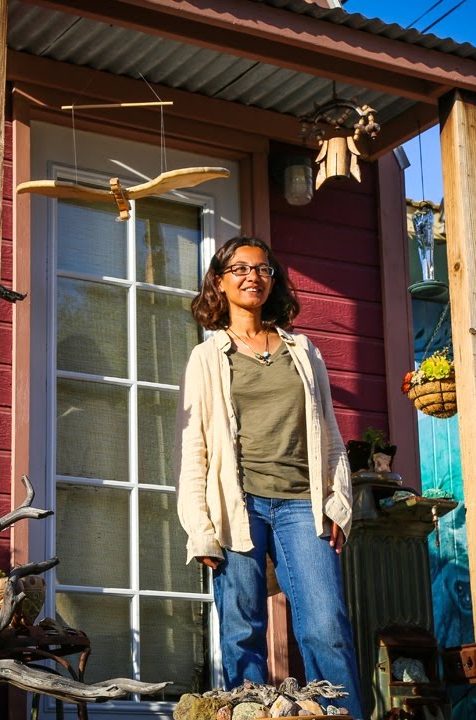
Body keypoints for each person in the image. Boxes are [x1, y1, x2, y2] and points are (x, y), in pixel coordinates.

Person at [175, 236, 363, 716]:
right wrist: (201, 529)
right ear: (219, 281)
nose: (251, 277)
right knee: (242, 627)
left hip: (303, 503)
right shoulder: (208, 356)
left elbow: (331, 436)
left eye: (262, 269)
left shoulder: (303, 351)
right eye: (238, 269)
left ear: (273, 280)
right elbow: (194, 447)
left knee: (326, 626)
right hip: (238, 506)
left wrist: (338, 501)